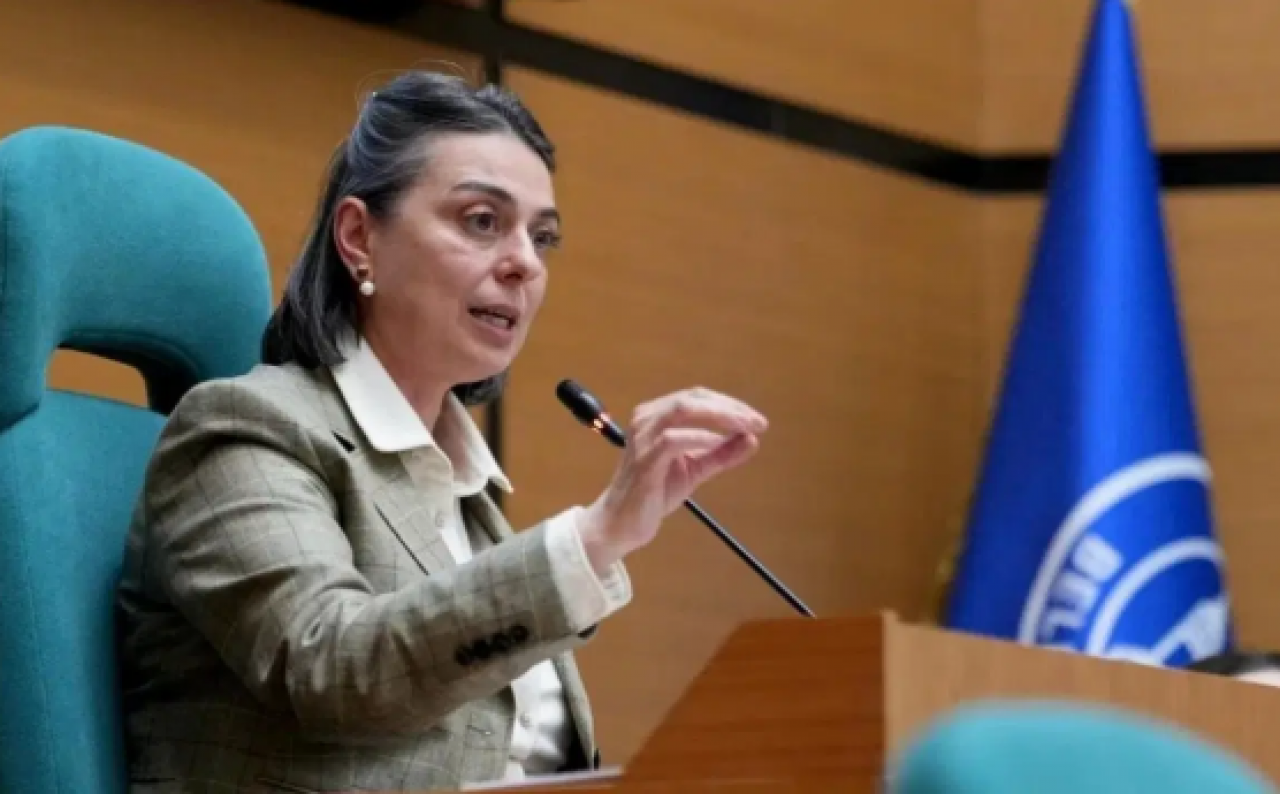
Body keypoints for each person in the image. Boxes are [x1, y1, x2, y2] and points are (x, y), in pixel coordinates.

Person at [115, 70, 767, 793]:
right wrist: (599, 534)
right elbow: (333, 668)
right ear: (359, 237)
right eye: (482, 221)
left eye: (542, 237)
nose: (524, 263)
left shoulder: (468, 497)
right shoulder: (245, 431)